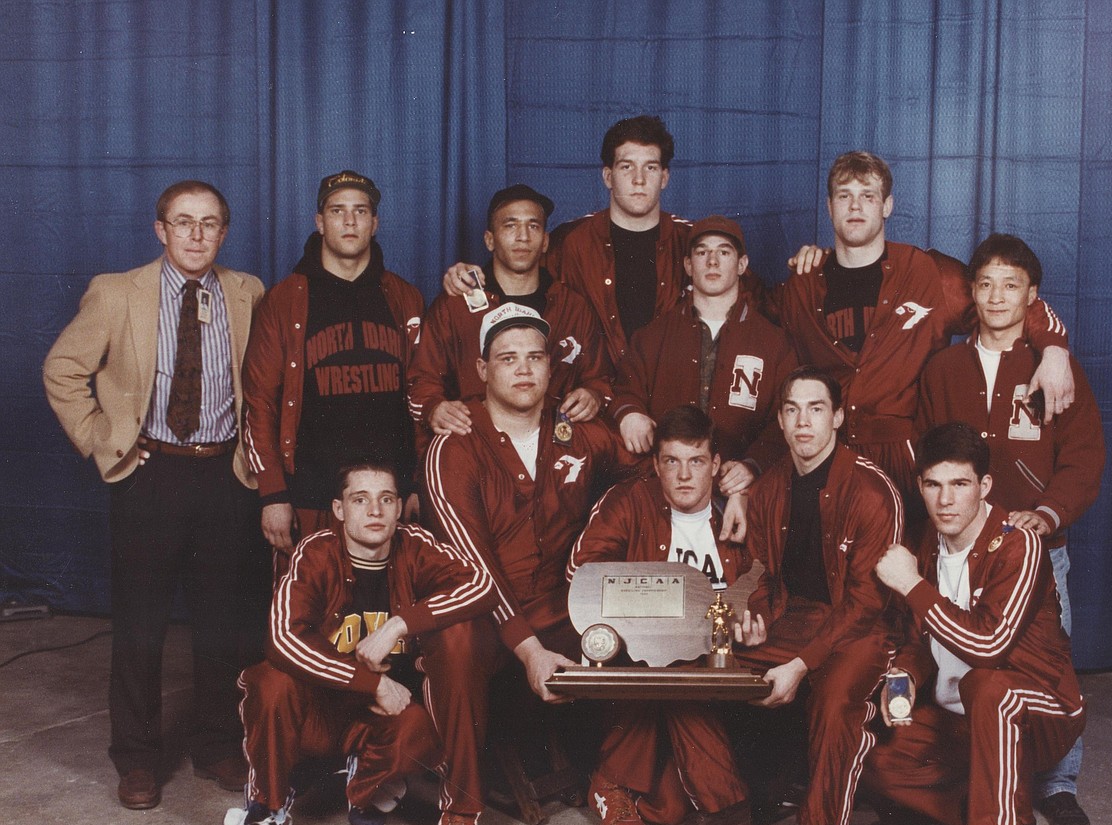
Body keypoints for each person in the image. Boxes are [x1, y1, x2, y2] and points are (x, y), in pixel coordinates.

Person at [43, 180, 266, 809]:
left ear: (225, 232)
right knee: (141, 625)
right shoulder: (119, 293)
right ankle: (137, 758)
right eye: (183, 222)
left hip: (226, 475)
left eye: (210, 223)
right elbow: (62, 369)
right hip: (152, 475)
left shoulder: (246, 292)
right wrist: (100, 439)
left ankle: (219, 744)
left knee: (224, 622)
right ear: (159, 230)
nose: (197, 235)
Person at [639, 368, 901, 825]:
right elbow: (758, 571)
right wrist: (750, 616)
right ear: (779, 420)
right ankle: (724, 805)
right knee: (686, 666)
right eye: (792, 410)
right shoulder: (771, 485)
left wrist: (801, 664)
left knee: (833, 703)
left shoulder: (872, 490)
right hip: (793, 619)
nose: (804, 421)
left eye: (817, 408)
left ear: (838, 417)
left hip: (861, 630)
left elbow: (869, 600)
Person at [421, 303, 640, 825]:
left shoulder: (580, 434)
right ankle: (462, 803)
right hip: (482, 610)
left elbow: (646, 480)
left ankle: (611, 779)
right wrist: (530, 651)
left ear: (551, 367)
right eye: (507, 358)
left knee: (639, 615)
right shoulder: (455, 442)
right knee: (453, 642)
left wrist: (602, 538)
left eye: (535, 358)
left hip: (560, 604)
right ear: (481, 369)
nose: (523, 370)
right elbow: (474, 564)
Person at [916, 233, 1104, 825]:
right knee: (963, 657)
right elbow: (925, 453)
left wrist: (1047, 515)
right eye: (986, 284)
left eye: (1012, 284)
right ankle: (986, 776)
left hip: (1039, 551)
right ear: (971, 293)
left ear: (1032, 296)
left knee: (1051, 661)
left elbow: (1083, 459)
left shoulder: (1053, 367)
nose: (998, 297)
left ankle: (1060, 785)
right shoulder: (944, 367)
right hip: (960, 552)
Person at [229, 460, 496, 825]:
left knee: (422, 730)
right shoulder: (316, 553)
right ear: (339, 509)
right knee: (270, 682)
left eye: (386, 499)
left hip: (379, 720)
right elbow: (282, 640)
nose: (375, 511)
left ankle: (363, 785)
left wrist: (400, 625)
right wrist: (370, 683)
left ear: (398, 506)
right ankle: (266, 808)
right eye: (361, 499)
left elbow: (482, 584)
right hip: (318, 716)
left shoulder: (415, 546)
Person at [770, 151, 1075, 504]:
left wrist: (1054, 347)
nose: (855, 206)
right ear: (829, 206)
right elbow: (744, 303)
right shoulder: (804, 284)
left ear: (887, 206)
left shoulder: (928, 273)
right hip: (823, 456)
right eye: (844, 196)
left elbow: (1004, 302)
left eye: (868, 196)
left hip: (906, 463)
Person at [869, 422, 1085, 825]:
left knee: (988, 686)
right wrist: (902, 675)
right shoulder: (928, 538)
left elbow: (990, 648)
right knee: (877, 763)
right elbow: (918, 636)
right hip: (964, 720)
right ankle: (982, 802)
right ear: (920, 485)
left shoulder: (1018, 543)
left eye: (960, 484)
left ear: (984, 486)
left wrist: (912, 585)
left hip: (1040, 709)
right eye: (933, 484)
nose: (945, 500)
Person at [566, 406, 752, 825]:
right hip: (651, 653)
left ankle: (614, 781)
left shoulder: (741, 508)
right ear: (656, 464)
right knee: (668, 805)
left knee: (669, 803)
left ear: (716, 464)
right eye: (672, 461)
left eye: (697, 461)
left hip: (730, 650)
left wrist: (751, 613)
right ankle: (618, 784)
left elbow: (769, 576)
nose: (684, 475)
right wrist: (652, 607)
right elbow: (583, 571)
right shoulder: (630, 500)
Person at [441, 116, 762, 367]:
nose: (638, 180)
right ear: (607, 176)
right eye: (627, 167)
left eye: (650, 167)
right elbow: (515, 274)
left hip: (670, 402)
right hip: (593, 402)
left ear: (664, 177)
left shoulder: (692, 241)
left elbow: (755, 299)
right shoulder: (572, 242)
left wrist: (810, 263)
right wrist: (469, 277)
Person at [242, 170, 423, 570]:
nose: (349, 221)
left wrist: (416, 482)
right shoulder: (285, 300)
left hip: (386, 496)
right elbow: (259, 401)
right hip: (309, 492)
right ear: (319, 221)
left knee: (386, 612)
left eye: (361, 211)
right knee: (309, 611)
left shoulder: (403, 297)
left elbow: (423, 394)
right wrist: (273, 494)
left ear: (375, 223)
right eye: (337, 210)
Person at [611, 215, 797, 500]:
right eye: (702, 252)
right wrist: (630, 412)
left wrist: (752, 465)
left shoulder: (773, 342)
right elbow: (625, 389)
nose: (712, 262)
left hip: (735, 490)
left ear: (742, 265)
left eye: (724, 252)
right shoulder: (652, 337)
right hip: (664, 488)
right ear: (688, 265)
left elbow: (785, 418)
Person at [408, 183, 612, 438]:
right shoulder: (457, 305)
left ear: (546, 241)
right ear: (490, 240)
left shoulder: (572, 307)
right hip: (478, 448)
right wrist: (434, 408)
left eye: (533, 226)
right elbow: (421, 381)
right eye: (510, 225)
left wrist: (592, 395)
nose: (523, 236)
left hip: (553, 451)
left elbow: (600, 379)